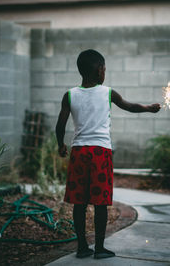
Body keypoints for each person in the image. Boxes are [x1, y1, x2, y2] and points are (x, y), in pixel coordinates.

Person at [55, 49, 160, 259]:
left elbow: (60, 124)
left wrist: (61, 145)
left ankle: (82, 247)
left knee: (79, 203)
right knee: (101, 202)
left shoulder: (69, 95)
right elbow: (130, 107)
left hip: (79, 152)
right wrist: (148, 108)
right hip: (100, 153)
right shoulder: (108, 92)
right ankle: (100, 248)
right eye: (105, 69)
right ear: (100, 71)